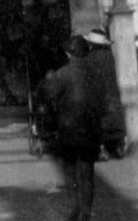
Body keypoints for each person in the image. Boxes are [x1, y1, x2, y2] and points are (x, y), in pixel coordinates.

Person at [41, 36, 106, 221]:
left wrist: (48, 81)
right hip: (91, 129)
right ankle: (86, 212)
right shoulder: (97, 73)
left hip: (69, 129)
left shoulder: (63, 73)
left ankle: (77, 206)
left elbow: (48, 94)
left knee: (70, 171)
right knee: (88, 172)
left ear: (69, 53)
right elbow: (102, 99)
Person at [82, 28, 127, 159]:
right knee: (115, 121)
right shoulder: (109, 56)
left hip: (98, 94)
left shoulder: (89, 58)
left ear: (91, 44)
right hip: (112, 93)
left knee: (97, 123)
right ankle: (118, 147)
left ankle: (102, 150)